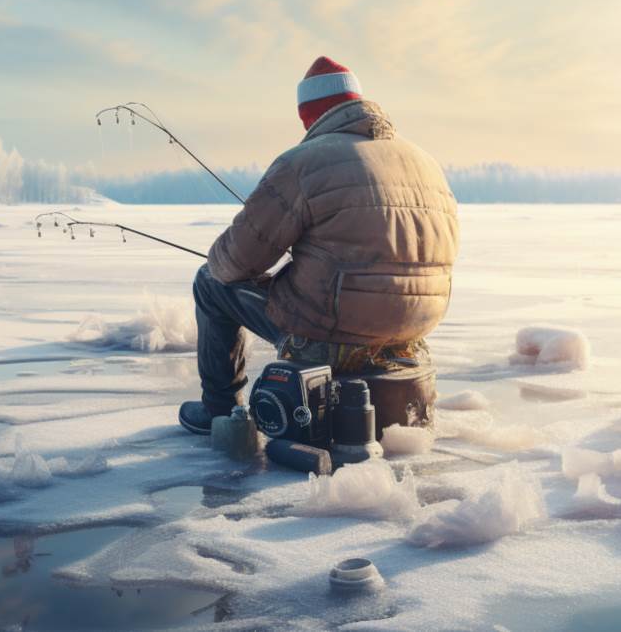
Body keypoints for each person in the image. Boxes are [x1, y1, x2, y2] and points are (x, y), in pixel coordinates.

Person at [178, 57, 460, 434]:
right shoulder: (426, 162)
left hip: (332, 330)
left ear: (308, 116)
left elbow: (232, 263)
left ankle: (220, 411)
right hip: (414, 328)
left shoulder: (303, 162)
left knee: (209, 282)